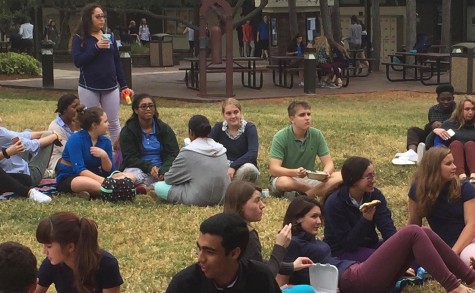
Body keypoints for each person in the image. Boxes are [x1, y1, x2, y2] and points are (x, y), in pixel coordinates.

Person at [277, 196, 475, 293]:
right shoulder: (291, 243)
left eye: (320, 216)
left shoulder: (309, 240)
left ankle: (471, 278)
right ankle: (454, 286)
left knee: (423, 232)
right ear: (297, 219)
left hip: (356, 273)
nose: (319, 222)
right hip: (351, 281)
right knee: (413, 232)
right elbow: (281, 285)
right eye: (314, 217)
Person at [223, 180, 315, 293]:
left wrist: (291, 266)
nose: (263, 205)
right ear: (240, 205)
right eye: (257, 201)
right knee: (307, 290)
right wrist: (280, 247)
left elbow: (256, 264)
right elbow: (263, 279)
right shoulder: (247, 236)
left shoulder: (223, 228)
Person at [165, 213, 282, 293]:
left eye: (210, 252)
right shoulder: (185, 284)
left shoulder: (260, 277)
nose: (201, 258)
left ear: (234, 253)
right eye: (199, 249)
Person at [71, 4, 133, 144]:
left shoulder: (109, 35)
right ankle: (89, 152)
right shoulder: (80, 38)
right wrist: (96, 47)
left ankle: (117, 155)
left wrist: (124, 86)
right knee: (89, 123)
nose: (101, 20)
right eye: (97, 17)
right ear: (88, 19)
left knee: (113, 122)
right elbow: (78, 61)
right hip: (89, 87)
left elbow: (117, 62)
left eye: (103, 16)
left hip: (110, 86)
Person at [407, 147, 475, 266]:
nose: (454, 167)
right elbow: (414, 224)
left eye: (453, 162)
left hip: (469, 242)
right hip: (442, 245)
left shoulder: (465, 188)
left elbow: (471, 225)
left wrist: (452, 253)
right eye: (448, 164)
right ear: (434, 168)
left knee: (469, 258)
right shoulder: (418, 189)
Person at [323, 156, 396, 262]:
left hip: (370, 246)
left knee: (404, 251)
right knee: (384, 259)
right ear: (354, 180)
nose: (373, 180)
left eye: (374, 175)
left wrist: (398, 247)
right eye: (369, 177)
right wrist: (365, 220)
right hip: (342, 252)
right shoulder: (335, 203)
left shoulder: (375, 195)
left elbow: (387, 226)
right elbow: (348, 244)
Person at [56, 105, 134, 198]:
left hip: (97, 176)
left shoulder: (105, 141)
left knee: (131, 176)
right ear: (94, 125)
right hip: (72, 177)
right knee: (88, 183)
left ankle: (106, 190)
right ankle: (116, 190)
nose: (108, 124)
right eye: (105, 121)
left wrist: (104, 156)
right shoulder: (75, 139)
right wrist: (105, 181)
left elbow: (110, 171)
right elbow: (80, 170)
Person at [269, 101, 342, 199]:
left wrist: (326, 173)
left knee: (341, 176)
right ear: (292, 119)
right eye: (302, 115)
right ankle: (316, 192)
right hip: (287, 177)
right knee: (284, 182)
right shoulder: (280, 137)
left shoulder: (316, 134)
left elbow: (329, 163)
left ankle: (304, 195)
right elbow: (274, 169)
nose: (307, 118)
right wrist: (295, 172)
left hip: (309, 177)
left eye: (309, 114)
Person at [35, 211, 123, 293]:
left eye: (49, 246)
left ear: (70, 247)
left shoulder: (106, 265)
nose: (44, 251)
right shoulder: (51, 264)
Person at [154, 115, 230, 206]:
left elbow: (170, 179)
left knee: (158, 186)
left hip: (199, 198)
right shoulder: (221, 149)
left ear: (190, 132)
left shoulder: (188, 152)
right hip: (223, 197)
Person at [119, 93, 179, 189]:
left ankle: (146, 187)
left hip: (163, 169)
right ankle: (149, 187)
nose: (148, 109)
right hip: (138, 169)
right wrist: (149, 167)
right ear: (136, 110)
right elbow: (130, 158)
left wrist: (164, 169)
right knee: (128, 177)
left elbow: (173, 153)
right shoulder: (128, 130)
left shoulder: (164, 128)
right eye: (143, 106)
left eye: (151, 106)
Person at [0, 117, 60, 203]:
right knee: (48, 138)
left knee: (28, 132)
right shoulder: (2, 134)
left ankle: (31, 189)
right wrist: (55, 136)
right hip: (25, 177)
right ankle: (29, 192)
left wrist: (45, 133)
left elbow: (21, 135)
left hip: (9, 174)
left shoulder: (3, 133)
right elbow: (33, 145)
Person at [209, 98, 259, 183]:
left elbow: (252, 153)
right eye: (228, 113)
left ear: (240, 112)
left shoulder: (249, 128)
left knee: (248, 169)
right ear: (223, 115)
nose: (233, 116)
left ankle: (231, 187)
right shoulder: (219, 128)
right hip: (225, 167)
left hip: (244, 166)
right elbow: (207, 144)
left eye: (236, 112)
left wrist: (233, 166)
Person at [426, 96, 475, 181]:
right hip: (454, 164)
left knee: (470, 144)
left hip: (472, 161)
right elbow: (428, 145)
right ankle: (462, 177)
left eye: (473, 109)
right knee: (456, 144)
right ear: (460, 110)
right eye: (467, 109)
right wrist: (434, 132)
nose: (470, 112)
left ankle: (473, 177)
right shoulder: (450, 124)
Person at [403, 84, 455, 162]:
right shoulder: (433, 110)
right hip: (432, 135)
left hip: (449, 137)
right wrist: (432, 125)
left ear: (453, 98)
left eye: (449, 99)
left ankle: (429, 151)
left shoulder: (457, 109)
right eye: (442, 99)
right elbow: (429, 127)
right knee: (413, 130)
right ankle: (412, 153)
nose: (446, 102)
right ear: (437, 99)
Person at [46, 94, 80, 178]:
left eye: (79, 106)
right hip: (59, 158)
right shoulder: (56, 127)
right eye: (74, 107)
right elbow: (67, 151)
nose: (78, 110)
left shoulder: (78, 122)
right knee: (75, 168)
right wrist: (77, 130)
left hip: (79, 155)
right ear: (64, 110)